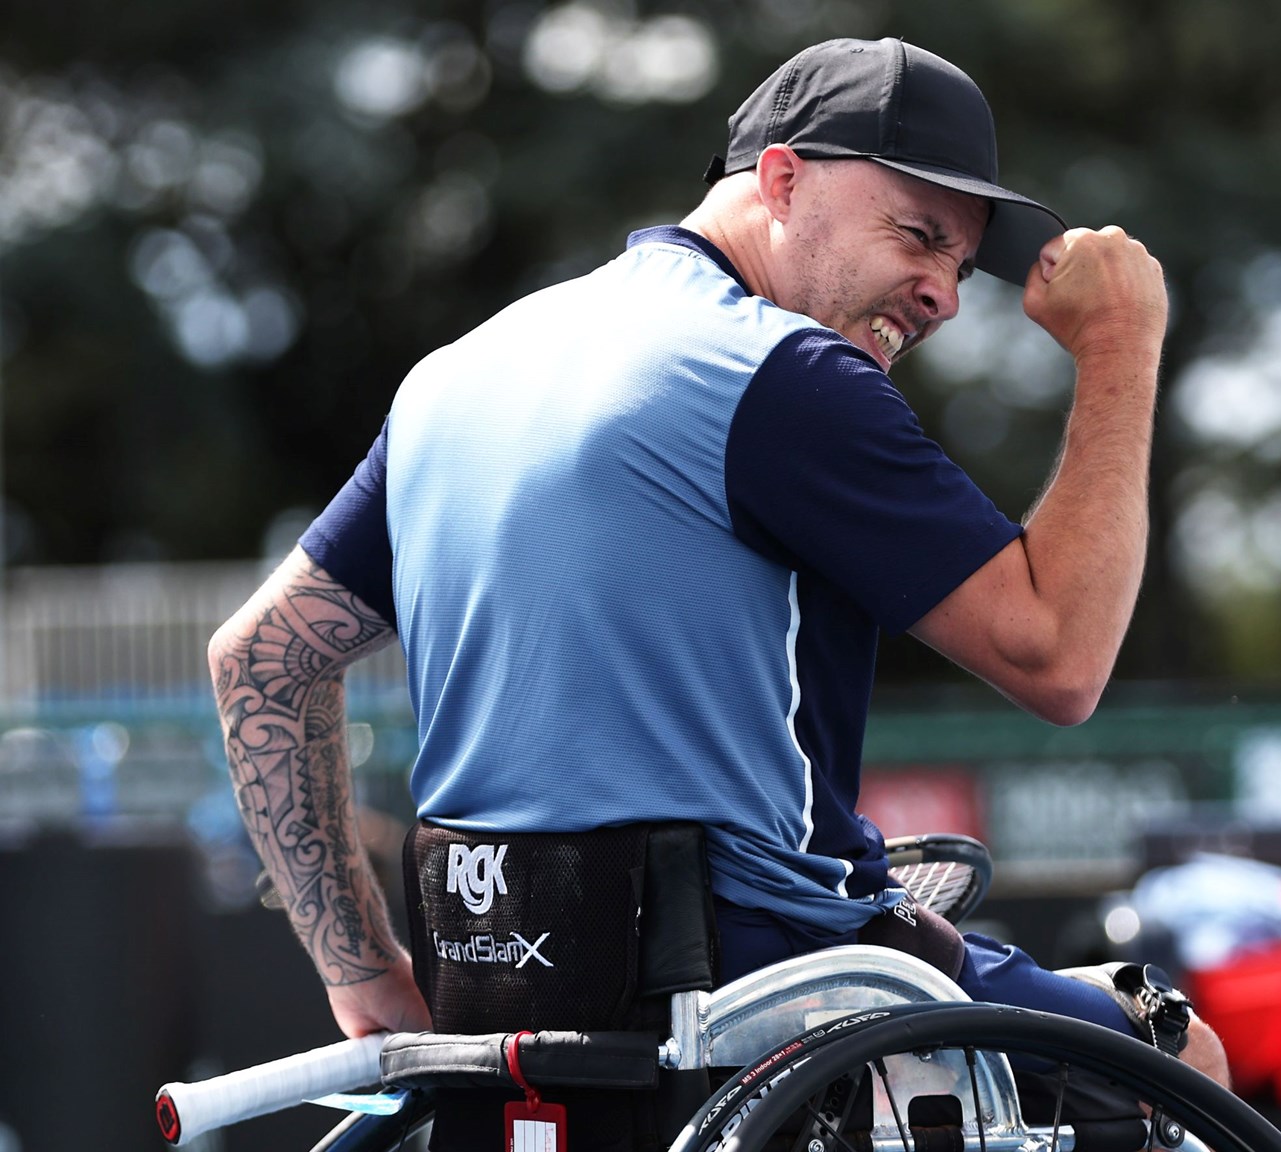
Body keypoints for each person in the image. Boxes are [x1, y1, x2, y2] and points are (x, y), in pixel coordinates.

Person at [208, 34, 1223, 1149]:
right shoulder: (784, 375)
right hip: (758, 998)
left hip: (496, 1005)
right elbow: (1059, 656)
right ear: (781, 180)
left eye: (961, 266)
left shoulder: (459, 371)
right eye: (917, 234)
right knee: (1178, 1054)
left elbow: (261, 660)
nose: (939, 293)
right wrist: (1122, 345)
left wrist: (365, 976)